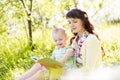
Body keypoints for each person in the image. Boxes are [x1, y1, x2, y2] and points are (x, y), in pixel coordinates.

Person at [63, 8, 104, 78]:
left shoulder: (91, 40)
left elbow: (89, 69)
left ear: (83, 21)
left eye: (75, 21)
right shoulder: (75, 40)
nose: (71, 25)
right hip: (77, 75)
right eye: (69, 22)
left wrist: (69, 73)